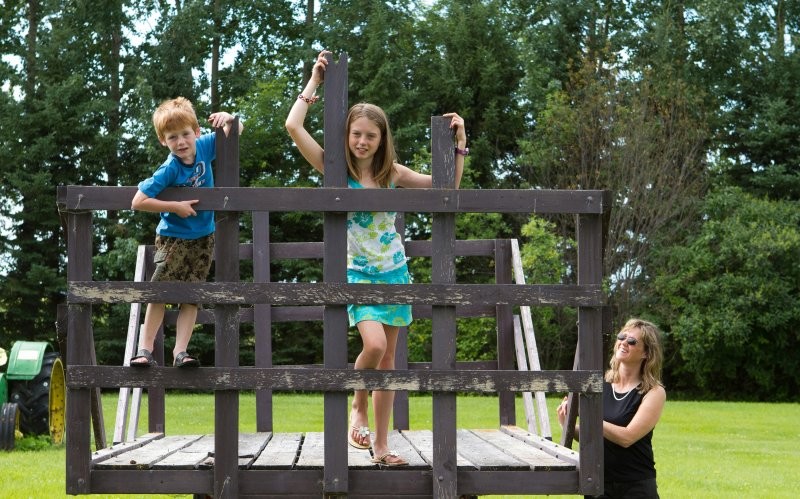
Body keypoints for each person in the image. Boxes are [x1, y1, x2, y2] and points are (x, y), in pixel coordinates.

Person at [285, 50, 467, 466]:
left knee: (389, 363)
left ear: (382, 139)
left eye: (371, 135)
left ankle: (382, 447)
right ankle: (357, 404)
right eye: (356, 134)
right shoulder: (334, 169)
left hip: (395, 275)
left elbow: (445, 190)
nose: (363, 141)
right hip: (357, 274)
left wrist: (460, 144)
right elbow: (293, 125)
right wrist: (315, 81)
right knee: (374, 343)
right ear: (346, 136)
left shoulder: (392, 174)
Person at [130, 97, 244, 368]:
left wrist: (229, 118)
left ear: (197, 132)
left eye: (185, 134)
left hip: (204, 237)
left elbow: (236, 131)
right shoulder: (169, 168)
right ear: (163, 141)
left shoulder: (204, 147)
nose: (181, 142)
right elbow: (138, 201)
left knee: (191, 296)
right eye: (172, 138)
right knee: (161, 291)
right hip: (173, 237)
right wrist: (174, 206)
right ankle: (145, 349)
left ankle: (180, 352)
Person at [557, 318, 667, 498]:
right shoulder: (600, 385)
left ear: (646, 353)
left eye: (632, 341)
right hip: (599, 484)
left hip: (636, 486)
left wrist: (589, 417)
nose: (624, 342)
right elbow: (594, 435)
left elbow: (627, 437)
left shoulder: (654, 392)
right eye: (622, 337)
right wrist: (567, 424)